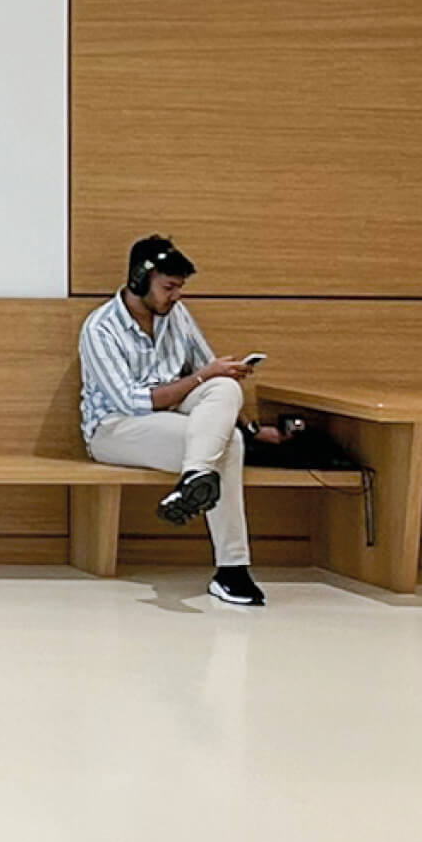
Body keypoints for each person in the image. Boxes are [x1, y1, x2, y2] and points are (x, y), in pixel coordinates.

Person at [79, 234, 268, 607]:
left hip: (171, 416)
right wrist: (202, 377)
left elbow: (207, 369)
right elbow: (131, 401)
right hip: (114, 428)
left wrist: (250, 422)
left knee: (226, 391)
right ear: (139, 280)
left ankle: (195, 476)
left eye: (180, 288)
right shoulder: (99, 329)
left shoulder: (175, 315)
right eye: (168, 287)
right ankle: (232, 571)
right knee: (227, 445)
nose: (176, 296)